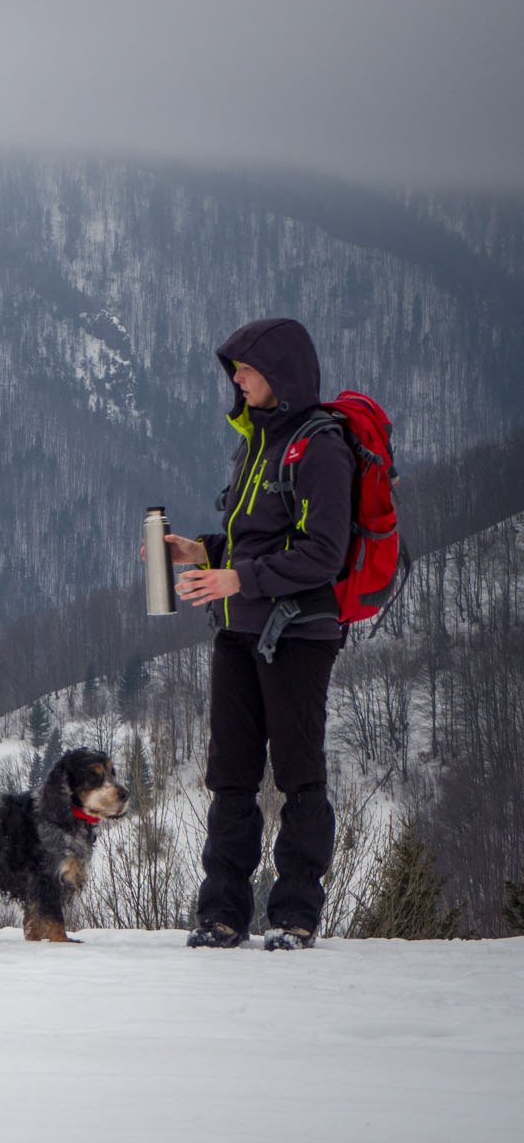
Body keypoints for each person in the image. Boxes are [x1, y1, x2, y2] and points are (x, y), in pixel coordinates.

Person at [164, 318, 355, 951]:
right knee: (231, 774)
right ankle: (221, 915)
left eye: (245, 371)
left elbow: (322, 556)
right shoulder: (258, 442)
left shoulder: (319, 448)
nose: (237, 381)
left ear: (280, 374)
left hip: (298, 635)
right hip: (238, 629)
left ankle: (295, 917)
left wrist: (234, 580)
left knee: (299, 774)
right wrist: (202, 551)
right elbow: (256, 540)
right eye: (236, 373)